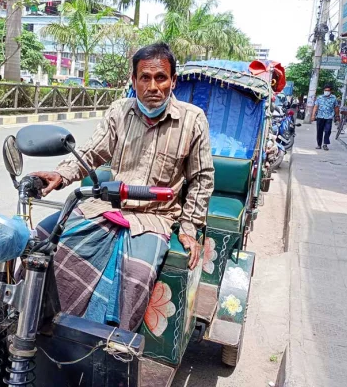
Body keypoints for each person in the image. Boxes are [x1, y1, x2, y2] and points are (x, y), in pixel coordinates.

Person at [32, 43, 214, 331]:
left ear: (173, 81)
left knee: (137, 276)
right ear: (133, 81)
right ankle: (36, 322)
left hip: (154, 218)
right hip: (107, 206)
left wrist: (190, 228)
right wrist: (60, 175)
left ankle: (112, 346)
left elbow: (202, 178)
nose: (153, 86)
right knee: (41, 239)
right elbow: (91, 153)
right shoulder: (119, 111)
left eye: (161, 77)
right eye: (145, 77)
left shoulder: (193, 120)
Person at [311, 84, 340, 151]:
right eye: (325, 90)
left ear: (331, 91)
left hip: (329, 117)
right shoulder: (319, 97)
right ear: (323, 91)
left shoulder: (334, 98)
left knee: (328, 131)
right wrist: (313, 115)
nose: (326, 91)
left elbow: (336, 107)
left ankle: (325, 144)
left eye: (328, 90)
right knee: (319, 131)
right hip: (320, 116)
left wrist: (337, 115)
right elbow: (316, 106)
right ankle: (319, 144)